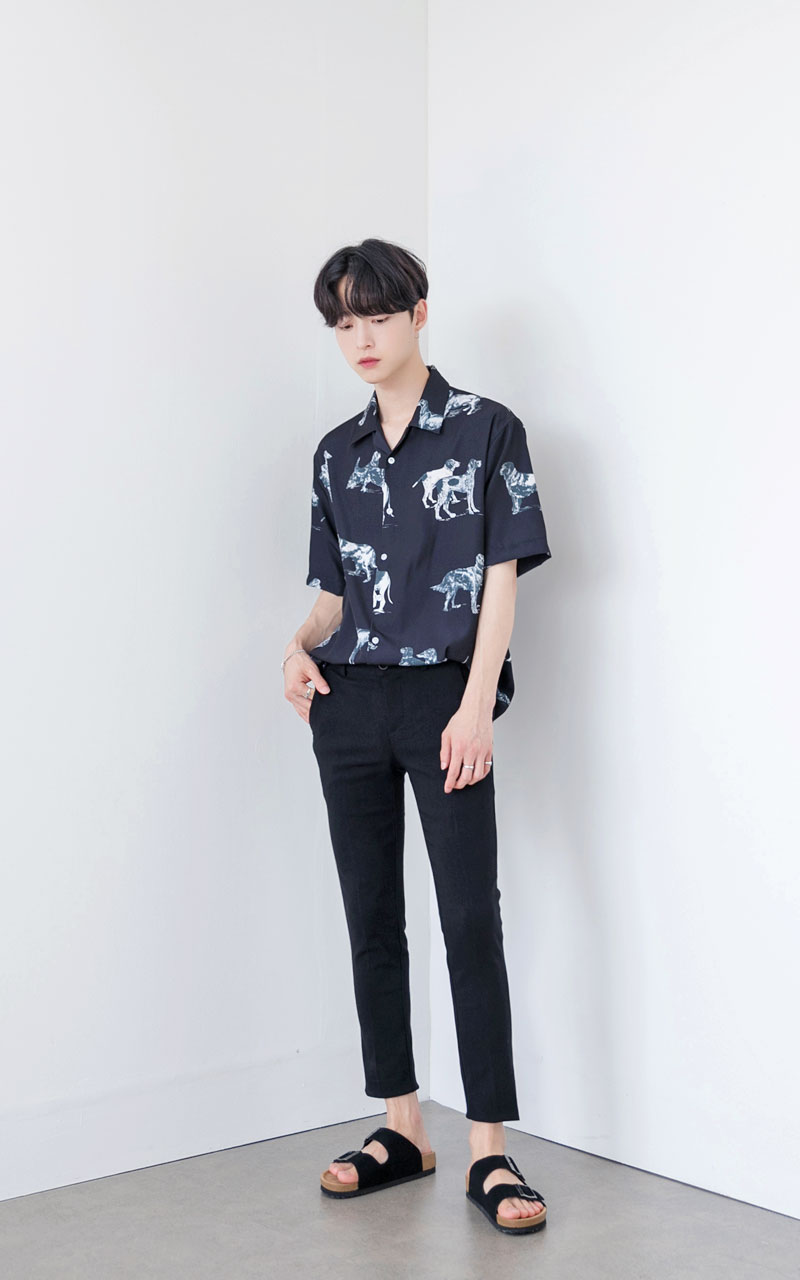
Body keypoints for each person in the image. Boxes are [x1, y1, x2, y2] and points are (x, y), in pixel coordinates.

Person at [282, 238, 552, 1233]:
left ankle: (488, 1148)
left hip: (444, 697)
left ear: (419, 313)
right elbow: (332, 593)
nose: (360, 337)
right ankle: (401, 1127)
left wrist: (475, 704)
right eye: (343, 322)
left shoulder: (486, 430)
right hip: (346, 703)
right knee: (371, 915)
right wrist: (295, 647)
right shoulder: (333, 452)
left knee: (469, 916)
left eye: (377, 316)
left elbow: (500, 580)